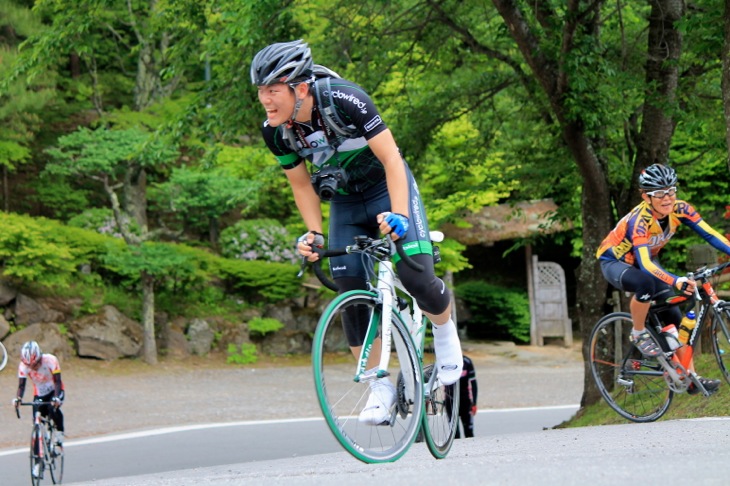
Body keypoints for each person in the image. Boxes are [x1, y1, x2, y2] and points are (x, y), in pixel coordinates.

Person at [251, 40, 463, 425]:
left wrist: (398, 215)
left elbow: (391, 158)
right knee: (349, 284)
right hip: (346, 202)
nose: (265, 100)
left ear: (299, 88)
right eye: (261, 91)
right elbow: (301, 185)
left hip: (386, 186)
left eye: (273, 90)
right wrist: (313, 233)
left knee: (415, 272)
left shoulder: (346, 99)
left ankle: (447, 341)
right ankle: (378, 388)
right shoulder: (276, 132)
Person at [596, 163, 730, 394]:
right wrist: (675, 280)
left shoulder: (681, 209)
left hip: (645, 260)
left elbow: (711, 234)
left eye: (671, 191)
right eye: (659, 193)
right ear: (646, 197)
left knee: (674, 317)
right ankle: (638, 332)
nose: (667, 198)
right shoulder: (639, 221)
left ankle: (689, 377)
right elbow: (646, 265)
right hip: (616, 262)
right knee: (646, 283)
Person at [13, 341, 66, 455]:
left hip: (55, 390)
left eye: (36, 364)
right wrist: (18, 398)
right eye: (30, 366)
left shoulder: (51, 360)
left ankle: (59, 435)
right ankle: (38, 457)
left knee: (53, 409)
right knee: (36, 419)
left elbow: (57, 382)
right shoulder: (23, 366)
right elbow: (21, 386)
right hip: (40, 393)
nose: (33, 368)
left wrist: (56, 398)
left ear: (40, 358)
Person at [455, 355, 477, 439]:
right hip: (450, 402)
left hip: (466, 402)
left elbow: (474, 383)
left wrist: (474, 403)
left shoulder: (467, 361)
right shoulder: (445, 361)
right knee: (455, 435)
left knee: (469, 432)